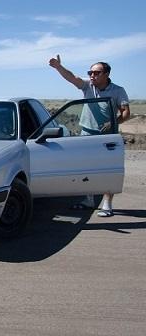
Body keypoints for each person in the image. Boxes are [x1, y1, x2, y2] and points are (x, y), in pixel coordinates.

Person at [49, 54, 130, 217]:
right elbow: (72, 78)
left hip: (107, 136)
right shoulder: (87, 87)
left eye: (96, 73)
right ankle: (88, 200)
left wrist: (114, 122)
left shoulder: (118, 91)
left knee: (108, 170)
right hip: (85, 134)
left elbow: (126, 113)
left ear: (106, 74)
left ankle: (107, 204)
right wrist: (58, 67)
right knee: (86, 168)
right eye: (90, 72)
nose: (92, 76)